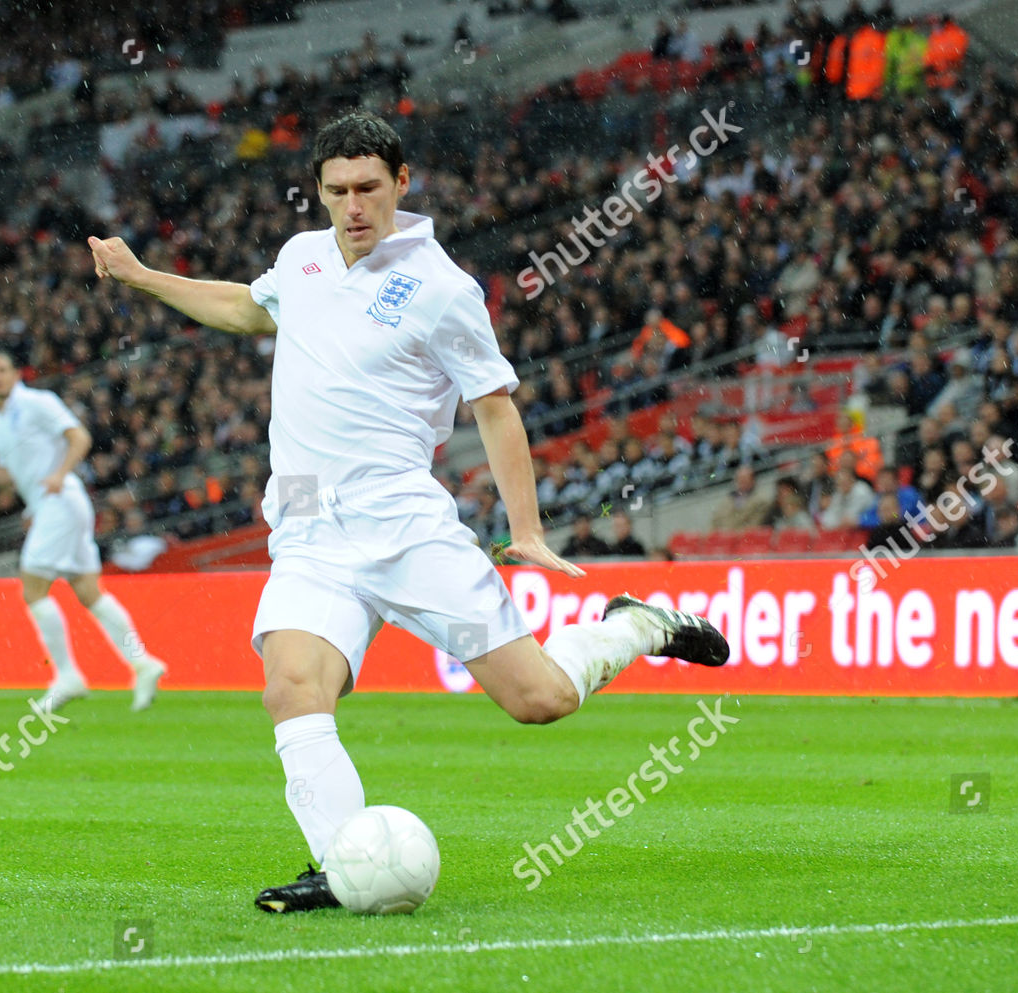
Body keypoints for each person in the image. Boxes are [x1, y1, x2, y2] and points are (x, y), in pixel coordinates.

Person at [86, 111, 729, 913]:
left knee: (540, 701)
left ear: (401, 183)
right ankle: (340, 864)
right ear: (318, 193)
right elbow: (251, 308)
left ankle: (636, 624)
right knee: (290, 688)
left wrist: (523, 527)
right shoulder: (303, 257)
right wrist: (145, 275)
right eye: (336, 191)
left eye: (367, 188)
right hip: (311, 526)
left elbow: (494, 406)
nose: (353, 206)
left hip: (404, 522)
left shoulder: (441, 288)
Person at [0, 351, 167, 711]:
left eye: (2, 370)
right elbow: (12, 473)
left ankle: (67, 675)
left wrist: (60, 473)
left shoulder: (38, 402)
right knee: (90, 593)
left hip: (62, 501)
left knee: (33, 589)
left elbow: (79, 437)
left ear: (15, 373)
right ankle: (143, 662)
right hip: (53, 507)